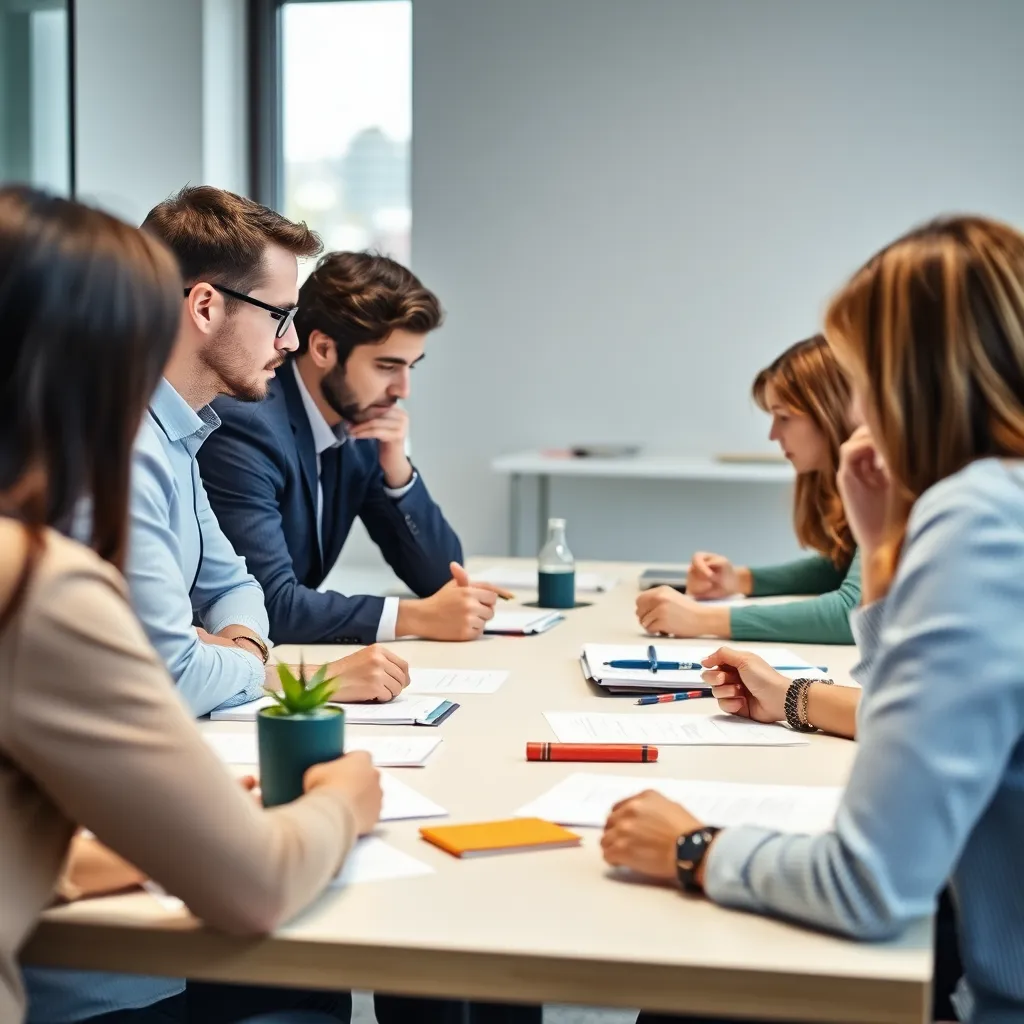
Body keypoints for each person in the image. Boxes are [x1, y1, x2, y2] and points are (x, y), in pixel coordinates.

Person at [604, 215, 1024, 1023]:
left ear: (910, 380)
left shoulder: (979, 520)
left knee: (687, 989)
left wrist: (694, 847)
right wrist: (880, 545)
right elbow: (895, 708)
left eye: (860, 374)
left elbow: (866, 886)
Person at [0, 186, 382, 1024]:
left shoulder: (167, 444)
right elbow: (254, 883)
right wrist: (344, 800)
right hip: (88, 988)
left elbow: (241, 589)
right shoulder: (37, 577)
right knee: (307, 991)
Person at [123, 188, 410, 716]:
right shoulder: (126, 448)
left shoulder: (180, 434)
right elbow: (176, 676)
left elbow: (235, 585)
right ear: (205, 306)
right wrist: (267, 670)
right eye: (279, 314)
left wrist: (239, 646)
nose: (292, 341)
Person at [198, 250, 505, 645]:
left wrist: (398, 471)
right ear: (324, 349)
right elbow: (266, 604)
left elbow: (442, 579)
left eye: (411, 367)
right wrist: (412, 618)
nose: (402, 390)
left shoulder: (359, 426)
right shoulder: (247, 423)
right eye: (386, 366)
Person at [635, 335, 862, 644]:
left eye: (784, 417)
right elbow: (842, 566)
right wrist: (737, 580)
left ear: (831, 414)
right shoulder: (858, 482)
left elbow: (854, 613)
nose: (773, 434)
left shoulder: (898, 485)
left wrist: (702, 619)